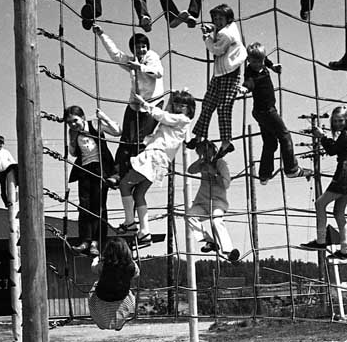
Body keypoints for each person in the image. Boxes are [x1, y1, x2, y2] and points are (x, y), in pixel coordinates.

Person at [117, 90, 196, 246]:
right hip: (161, 162)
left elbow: (162, 116)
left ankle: (130, 222)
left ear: (189, 109)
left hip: (155, 157)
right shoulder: (176, 121)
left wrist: (144, 104)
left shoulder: (182, 119)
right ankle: (144, 232)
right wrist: (170, 100)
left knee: (124, 185)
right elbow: (165, 116)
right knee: (139, 194)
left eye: (183, 105)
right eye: (177, 104)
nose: (179, 107)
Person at [91, 25, 164, 185]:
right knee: (126, 139)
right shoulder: (132, 61)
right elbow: (116, 55)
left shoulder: (152, 57)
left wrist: (141, 68)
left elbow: (159, 72)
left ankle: (135, 171)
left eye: (143, 46)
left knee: (140, 140)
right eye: (137, 47)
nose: (141, 50)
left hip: (152, 103)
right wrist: (102, 34)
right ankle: (117, 174)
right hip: (135, 103)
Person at [241, 42, 312, 185]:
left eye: (260, 61)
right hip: (267, 112)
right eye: (254, 62)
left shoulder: (263, 63)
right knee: (285, 136)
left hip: (261, 112)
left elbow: (266, 61)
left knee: (270, 143)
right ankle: (291, 169)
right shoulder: (250, 72)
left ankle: (264, 174)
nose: (258, 65)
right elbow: (249, 82)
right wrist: (245, 88)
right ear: (248, 60)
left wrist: (272, 66)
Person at [300, 106, 347, 260]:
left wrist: (322, 137)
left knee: (320, 204)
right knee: (338, 212)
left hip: (345, 172)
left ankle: (321, 240)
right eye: (335, 121)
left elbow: (333, 150)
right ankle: (345, 249)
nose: (338, 124)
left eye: (340, 120)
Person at [186, 4, 246, 160]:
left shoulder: (226, 34)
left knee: (224, 108)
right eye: (215, 18)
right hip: (220, 72)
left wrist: (207, 37)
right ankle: (198, 136)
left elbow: (216, 50)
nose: (217, 21)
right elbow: (218, 29)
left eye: (221, 18)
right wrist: (212, 28)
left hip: (230, 73)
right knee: (207, 104)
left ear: (228, 19)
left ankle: (226, 143)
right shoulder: (228, 27)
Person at [65, 105, 122, 256]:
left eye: (75, 120)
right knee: (84, 207)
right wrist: (72, 139)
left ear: (83, 118)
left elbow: (117, 131)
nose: (73, 124)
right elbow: (73, 153)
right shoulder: (73, 132)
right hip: (84, 169)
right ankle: (85, 240)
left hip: (100, 167)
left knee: (98, 206)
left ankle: (96, 242)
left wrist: (104, 118)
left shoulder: (95, 125)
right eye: (69, 122)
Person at [186, 141, 240, 262]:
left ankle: (229, 250)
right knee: (189, 215)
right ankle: (209, 241)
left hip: (217, 202)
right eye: (201, 153)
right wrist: (201, 161)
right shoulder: (203, 164)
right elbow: (190, 170)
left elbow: (226, 184)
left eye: (206, 151)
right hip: (202, 201)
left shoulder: (220, 163)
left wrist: (214, 173)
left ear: (212, 150)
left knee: (216, 221)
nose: (204, 154)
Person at [88, 237, 140, 330]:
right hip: (122, 299)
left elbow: (94, 269)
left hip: (102, 297)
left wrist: (95, 259)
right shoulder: (131, 266)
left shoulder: (104, 265)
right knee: (129, 293)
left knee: (96, 284)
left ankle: (102, 323)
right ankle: (119, 323)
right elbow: (136, 274)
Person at [0, 135, 18, 207]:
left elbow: (12, 160)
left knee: (15, 166)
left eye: (1, 143)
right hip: (0, 171)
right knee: (3, 187)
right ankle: (6, 202)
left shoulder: (6, 152)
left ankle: (18, 181)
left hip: (7, 168)